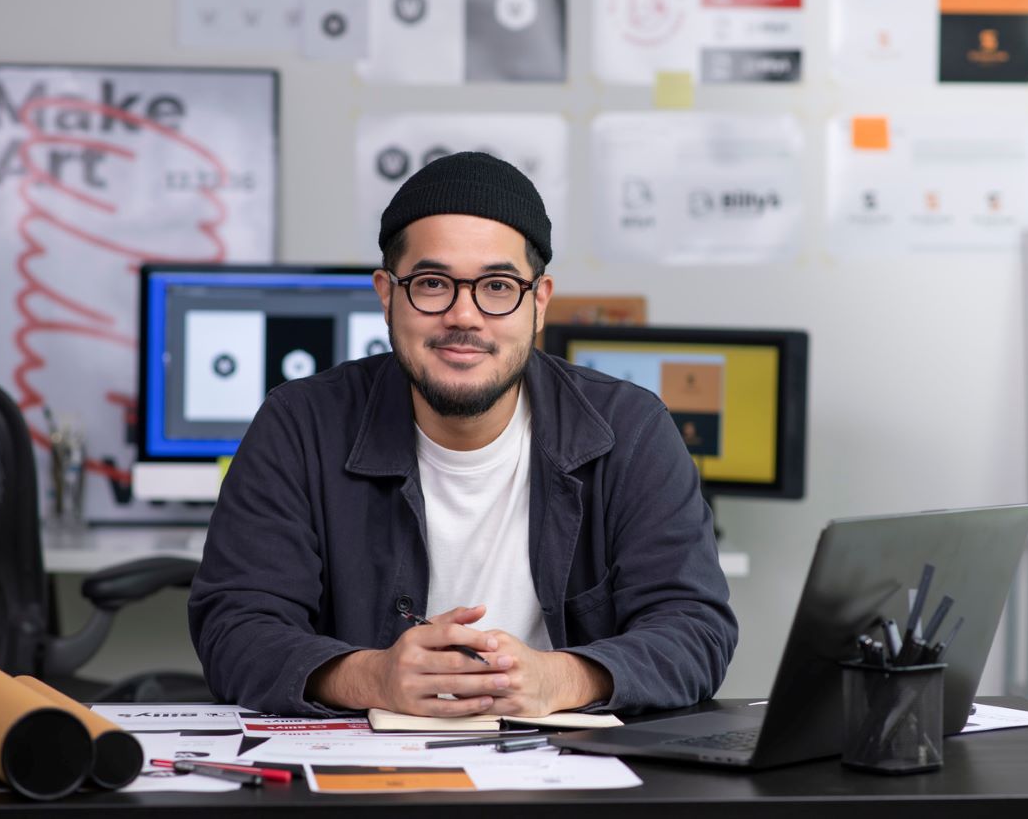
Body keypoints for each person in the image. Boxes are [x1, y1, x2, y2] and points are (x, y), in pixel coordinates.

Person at [188, 152, 737, 718]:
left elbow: (694, 629)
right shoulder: (298, 425)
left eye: (498, 286)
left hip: (570, 779)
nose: (464, 316)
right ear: (386, 294)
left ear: (539, 301)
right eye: (432, 283)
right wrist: (372, 677)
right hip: (361, 780)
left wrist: (560, 679)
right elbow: (235, 628)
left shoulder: (630, 430)